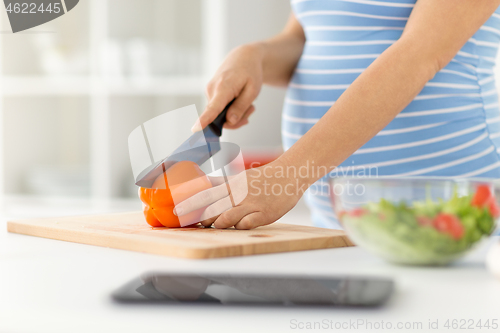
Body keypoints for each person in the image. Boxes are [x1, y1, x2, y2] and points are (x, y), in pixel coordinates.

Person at [174, 0, 500, 230]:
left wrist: (291, 173)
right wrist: (254, 56)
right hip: (337, 220)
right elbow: (308, 38)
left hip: (451, 211)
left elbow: (419, 55)